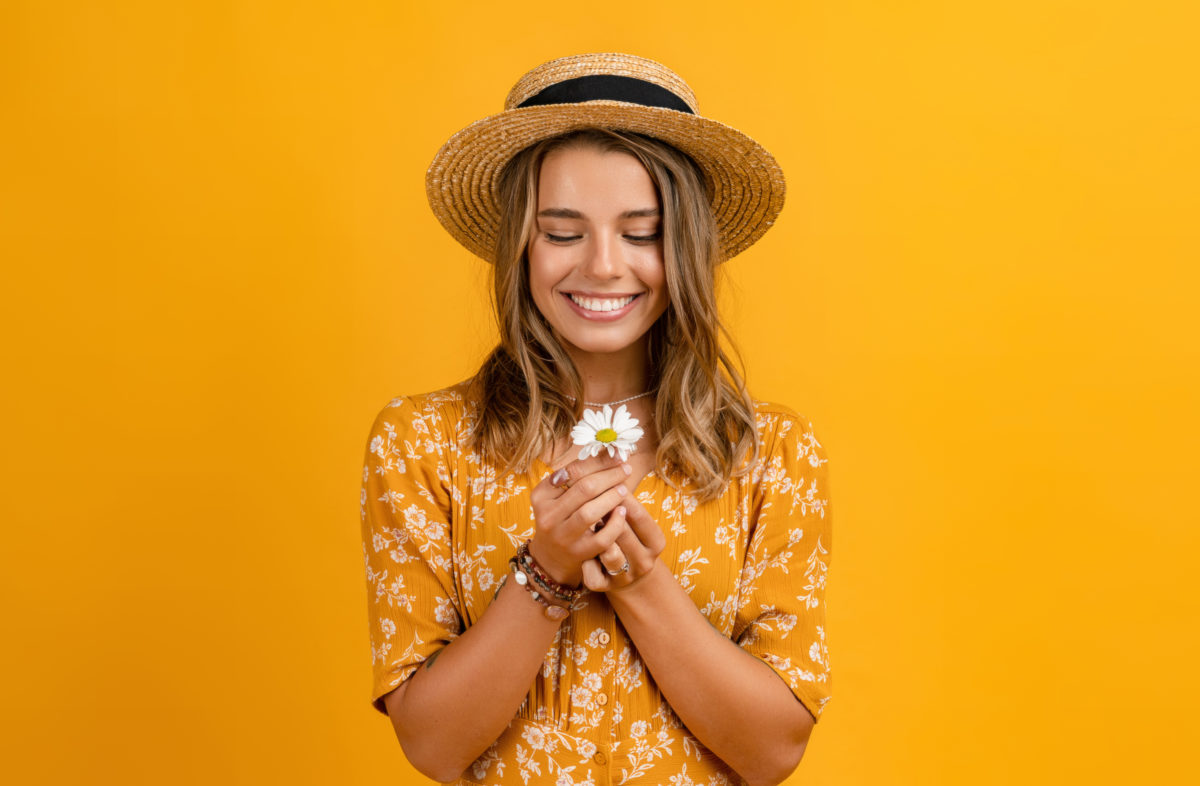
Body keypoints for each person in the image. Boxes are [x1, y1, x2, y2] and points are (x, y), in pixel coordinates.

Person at [360, 53, 832, 786]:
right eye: (563, 231)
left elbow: (773, 752)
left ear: (684, 248)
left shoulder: (773, 452)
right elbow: (433, 746)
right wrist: (546, 571)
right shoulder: (423, 442)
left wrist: (641, 583)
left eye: (641, 233)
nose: (605, 266)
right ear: (519, 243)